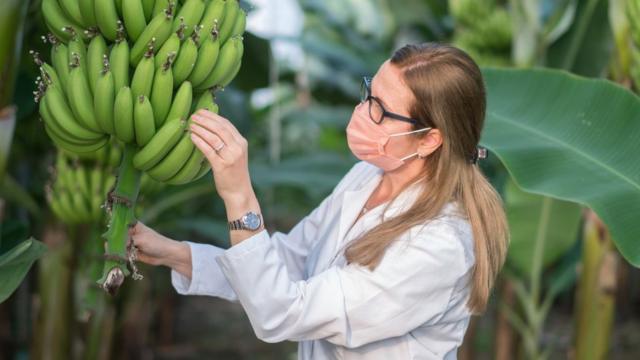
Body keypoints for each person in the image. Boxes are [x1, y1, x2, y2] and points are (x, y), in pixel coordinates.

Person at [129, 42, 510, 359]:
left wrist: (238, 195)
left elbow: (280, 312)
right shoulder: (369, 175)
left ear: (429, 139)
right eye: (368, 94)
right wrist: (176, 254)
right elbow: (292, 262)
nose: (363, 112)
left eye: (381, 110)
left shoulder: (439, 246)